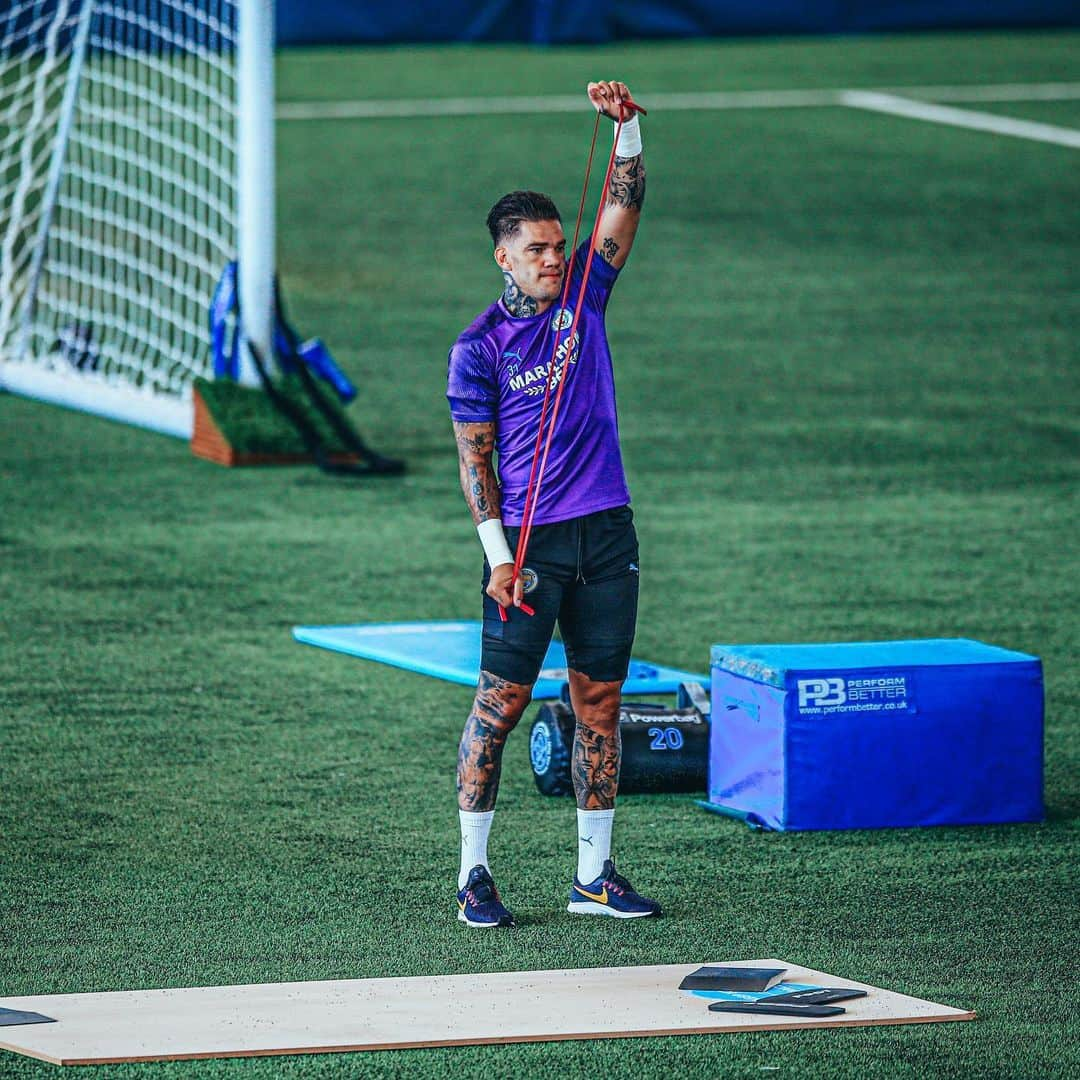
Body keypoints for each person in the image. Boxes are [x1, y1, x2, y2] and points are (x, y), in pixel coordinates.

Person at [446, 80, 660, 928]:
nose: (553, 258)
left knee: (597, 703)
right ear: (503, 255)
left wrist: (628, 131)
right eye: (536, 249)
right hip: (530, 551)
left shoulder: (586, 297)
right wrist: (499, 560)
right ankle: (472, 876)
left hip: (607, 534)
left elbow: (622, 212)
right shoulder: (478, 348)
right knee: (497, 708)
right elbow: (476, 463)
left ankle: (594, 876)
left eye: (558, 246)